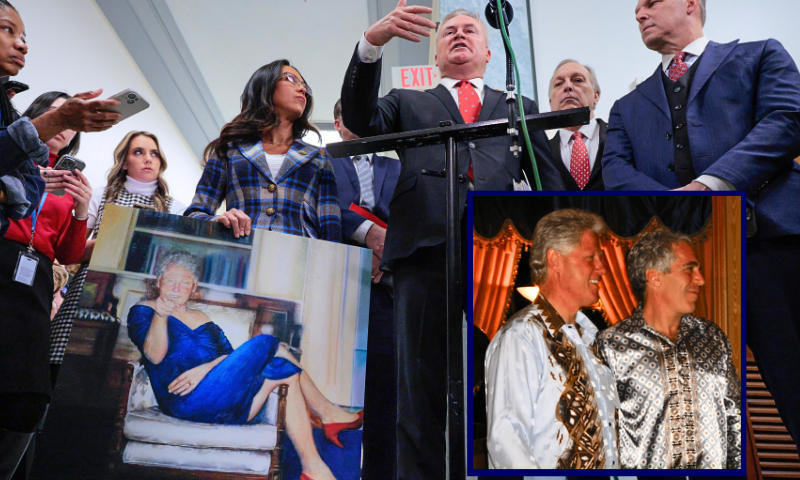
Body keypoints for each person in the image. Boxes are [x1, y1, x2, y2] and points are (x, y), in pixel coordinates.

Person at [340, 5, 563, 477]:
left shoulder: (517, 107)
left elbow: (550, 183)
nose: (459, 36)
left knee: (508, 384)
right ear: (436, 55)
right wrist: (371, 45)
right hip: (423, 252)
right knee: (417, 389)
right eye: (449, 32)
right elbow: (360, 118)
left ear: (488, 51)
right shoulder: (407, 101)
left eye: (470, 31)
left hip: (500, 257)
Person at [601, 0, 800, 452]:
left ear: (691, 3)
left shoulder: (760, 55)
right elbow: (615, 171)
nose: (639, 13)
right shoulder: (626, 107)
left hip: (779, 242)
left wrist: (709, 185)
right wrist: (679, 207)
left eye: (651, 2)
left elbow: (786, 120)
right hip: (701, 269)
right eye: (636, 8)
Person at [0, 1, 121, 475]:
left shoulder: (70, 178)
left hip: (36, 278)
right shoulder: (19, 154)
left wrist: (82, 209)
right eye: (57, 117)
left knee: (25, 398)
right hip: (6, 260)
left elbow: (69, 253)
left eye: (70, 124)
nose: (63, 129)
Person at [127, 252, 360, 480]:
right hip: (184, 402)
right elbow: (154, 356)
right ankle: (329, 413)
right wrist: (161, 316)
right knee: (267, 342)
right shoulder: (144, 311)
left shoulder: (202, 318)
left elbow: (229, 356)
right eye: (171, 280)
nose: (177, 288)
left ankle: (313, 468)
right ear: (159, 282)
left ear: (194, 286)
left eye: (185, 282)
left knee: (283, 369)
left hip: (223, 403)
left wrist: (204, 369)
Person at [484, 208, 619, 469]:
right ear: (555, 260)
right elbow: (507, 442)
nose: (602, 268)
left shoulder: (593, 342)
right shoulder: (521, 337)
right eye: (590, 258)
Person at [596, 229, 741, 469]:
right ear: (655, 277)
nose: (700, 279)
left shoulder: (713, 338)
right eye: (689, 269)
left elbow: (735, 421)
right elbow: (602, 437)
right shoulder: (610, 346)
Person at [49, 131, 186, 384]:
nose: (148, 159)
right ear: (124, 162)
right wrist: (115, 239)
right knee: (62, 366)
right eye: (138, 152)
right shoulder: (99, 196)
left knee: (119, 372)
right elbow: (72, 253)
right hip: (89, 290)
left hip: (143, 295)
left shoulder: (175, 208)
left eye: (154, 154)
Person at [186, 59, 341, 242]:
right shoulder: (229, 151)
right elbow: (194, 216)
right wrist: (218, 221)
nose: (302, 89)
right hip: (242, 252)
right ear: (265, 86)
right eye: (291, 79)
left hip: (298, 257)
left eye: (304, 86)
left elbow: (331, 233)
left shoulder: (318, 159)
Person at [329, 98, 399, 479]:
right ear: (338, 123)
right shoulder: (321, 160)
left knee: (385, 394)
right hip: (337, 286)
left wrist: (386, 251)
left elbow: (413, 213)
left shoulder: (397, 166)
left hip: (386, 291)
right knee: (337, 386)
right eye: (352, 116)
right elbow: (323, 208)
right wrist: (366, 236)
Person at [547, 60, 606, 190]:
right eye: (558, 83)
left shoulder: (620, 137)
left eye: (578, 80)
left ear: (596, 95)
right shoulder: (542, 153)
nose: (568, 86)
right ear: (551, 103)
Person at [21, 91, 80, 168]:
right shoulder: (7, 158)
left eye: (72, 121)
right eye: (55, 115)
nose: (63, 125)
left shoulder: (66, 174)